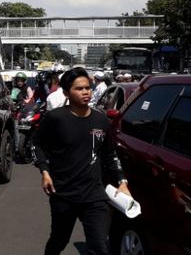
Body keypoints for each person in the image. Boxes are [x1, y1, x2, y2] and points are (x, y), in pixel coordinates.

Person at [32, 67, 132, 255]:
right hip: (63, 193)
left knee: (100, 247)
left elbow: (110, 154)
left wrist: (122, 181)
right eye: (79, 89)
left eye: (87, 87)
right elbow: (35, 145)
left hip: (94, 195)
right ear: (66, 92)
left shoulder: (101, 120)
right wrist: (44, 171)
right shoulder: (55, 118)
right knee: (59, 240)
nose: (85, 92)